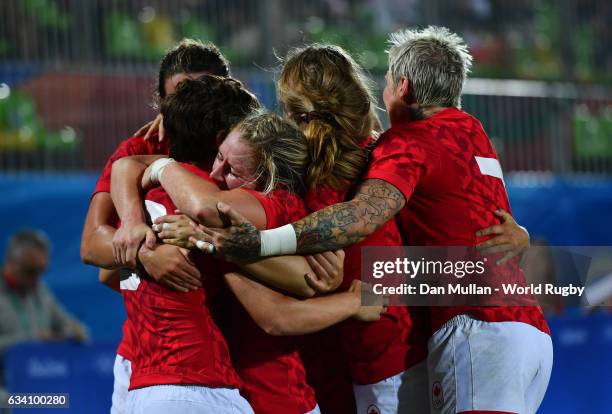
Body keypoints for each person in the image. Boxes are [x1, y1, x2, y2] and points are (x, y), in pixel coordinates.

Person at [195, 28, 551, 414]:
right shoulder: (467, 131)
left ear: (402, 86)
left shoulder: (394, 149)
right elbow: (472, 211)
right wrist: (522, 234)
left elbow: (358, 218)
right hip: (519, 325)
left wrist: (256, 243)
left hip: (445, 340)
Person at [111, 75, 364, 414]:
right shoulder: (193, 196)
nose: (217, 174)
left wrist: (356, 300)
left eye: (232, 169)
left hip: (276, 397)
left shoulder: (264, 206)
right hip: (223, 389)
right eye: (218, 157)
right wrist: (141, 242)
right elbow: (99, 257)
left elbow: (283, 309)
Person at [79, 38, 231, 414]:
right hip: (156, 362)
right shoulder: (135, 150)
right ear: (162, 103)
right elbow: (92, 248)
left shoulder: (244, 152)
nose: (193, 104)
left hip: (237, 353)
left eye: (203, 91)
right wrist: (148, 253)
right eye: (181, 94)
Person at [1, 230, 89, 404]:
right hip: (7, 389)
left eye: (41, 271)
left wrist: (70, 334)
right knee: (45, 402)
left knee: (69, 400)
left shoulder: (40, 292)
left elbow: (77, 329)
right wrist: (33, 339)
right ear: (11, 263)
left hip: (35, 384)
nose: (36, 279)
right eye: (30, 271)